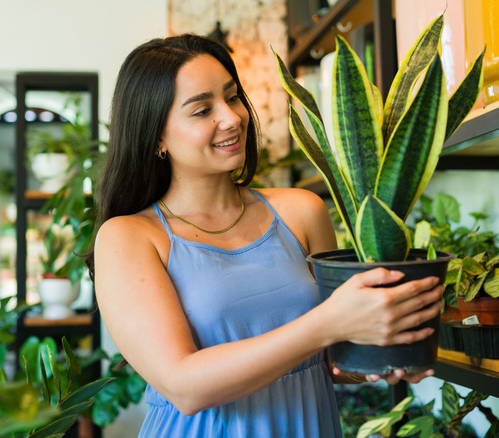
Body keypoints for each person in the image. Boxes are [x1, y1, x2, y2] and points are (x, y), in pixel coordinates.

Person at [87, 34, 444, 437]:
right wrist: (329, 323)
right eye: (202, 110)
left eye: (233, 97)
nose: (232, 118)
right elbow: (184, 386)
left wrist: (381, 356)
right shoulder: (129, 237)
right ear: (156, 137)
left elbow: (331, 360)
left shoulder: (301, 211)